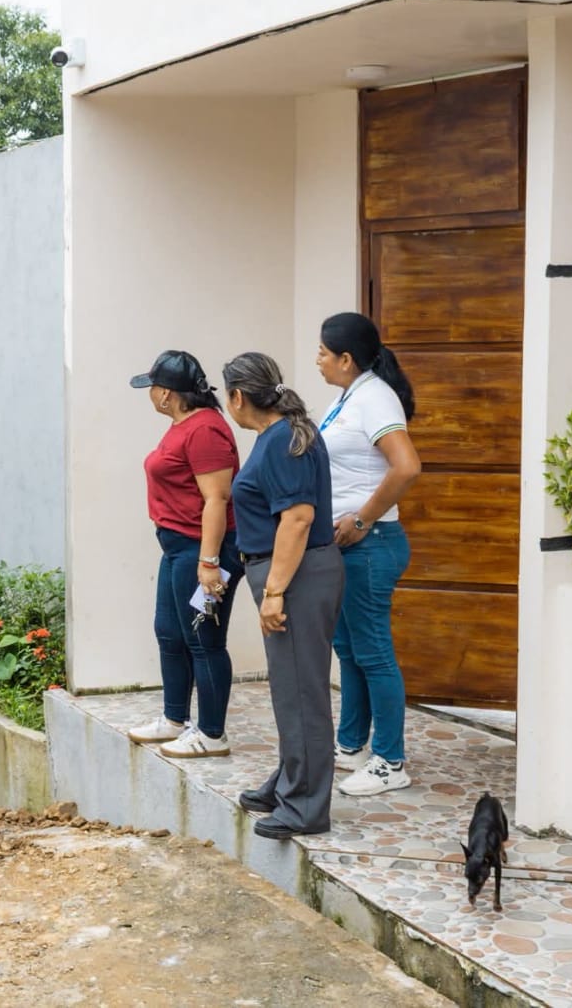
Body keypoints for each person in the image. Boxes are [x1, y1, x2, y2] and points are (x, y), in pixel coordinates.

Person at [222, 352, 344, 840]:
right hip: (296, 572)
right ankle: (291, 782)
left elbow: (297, 519)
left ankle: (305, 807)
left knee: (300, 692)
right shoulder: (284, 434)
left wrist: (274, 591)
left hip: (295, 575)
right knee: (293, 688)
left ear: (237, 396)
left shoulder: (281, 441)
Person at [316, 313, 422, 797]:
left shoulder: (375, 397)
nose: (317, 359)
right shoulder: (349, 396)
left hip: (372, 544)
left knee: (374, 652)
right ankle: (352, 745)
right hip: (349, 547)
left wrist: (361, 519)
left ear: (346, 358)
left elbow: (407, 466)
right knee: (350, 648)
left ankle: (390, 761)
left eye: (323, 352)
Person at [124, 350, 246, 758]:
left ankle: (212, 734)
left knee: (203, 638)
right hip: (177, 547)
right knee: (170, 632)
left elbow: (217, 498)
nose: (150, 394)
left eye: (152, 387)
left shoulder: (205, 430)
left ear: (166, 394)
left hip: (204, 550)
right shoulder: (184, 425)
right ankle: (174, 719)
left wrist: (209, 563)